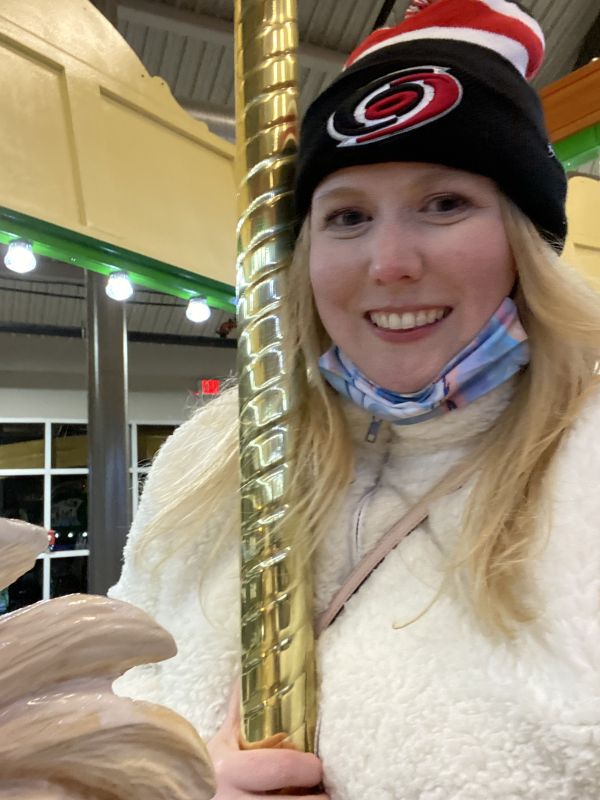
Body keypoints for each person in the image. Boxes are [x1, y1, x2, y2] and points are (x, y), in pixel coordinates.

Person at [110, 1, 600, 797]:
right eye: (347, 216)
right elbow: (120, 689)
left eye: (445, 203)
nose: (390, 261)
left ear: (524, 239)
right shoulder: (210, 461)